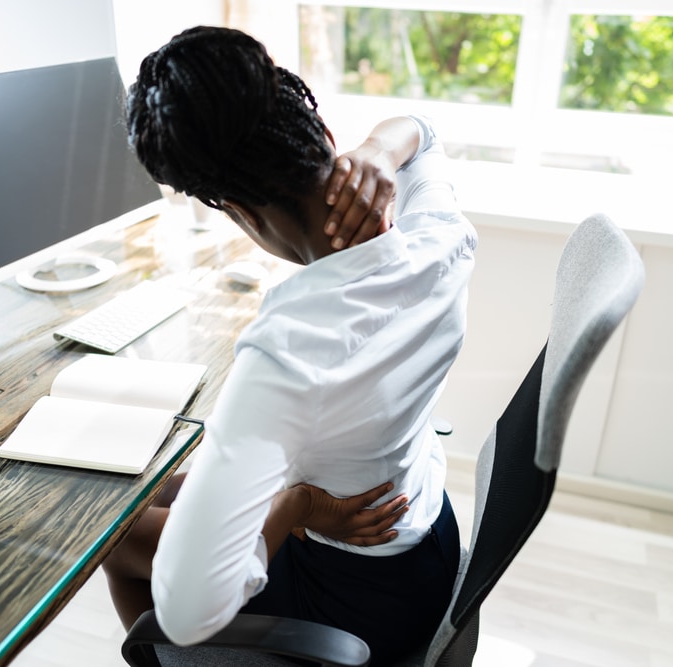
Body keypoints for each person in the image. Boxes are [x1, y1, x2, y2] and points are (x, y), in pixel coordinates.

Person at [102, 26, 477, 665]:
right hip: (429, 542)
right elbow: (423, 132)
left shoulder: (284, 356)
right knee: (154, 494)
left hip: (356, 608)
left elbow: (191, 609)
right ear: (318, 128)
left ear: (238, 209)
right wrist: (380, 151)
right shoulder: (441, 238)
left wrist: (297, 505)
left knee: (113, 539)